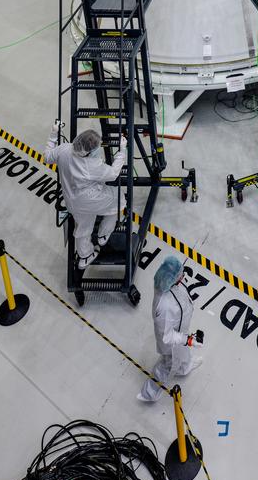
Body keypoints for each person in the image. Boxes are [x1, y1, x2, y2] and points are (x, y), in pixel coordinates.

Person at [44, 122, 127, 269]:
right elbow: (113, 174)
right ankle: (103, 235)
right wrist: (122, 151)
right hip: (90, 199)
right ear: (88, 152)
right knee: (118, 199)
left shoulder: (64, 149)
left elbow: (47, 157)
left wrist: (53, 134)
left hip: (71, 201)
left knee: (83, 226)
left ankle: (85, 256)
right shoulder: (91, 165)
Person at [137, 257, 203, 403]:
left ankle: (185, 368)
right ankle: (149, 393)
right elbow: (167, 336)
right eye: (180, 275)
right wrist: (188, 340)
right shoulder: (164, 306)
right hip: (171, 343)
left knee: (183, 352)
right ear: (172, 278)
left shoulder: (171, 284)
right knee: (167, 365)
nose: (183, 276)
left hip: (180, 332)